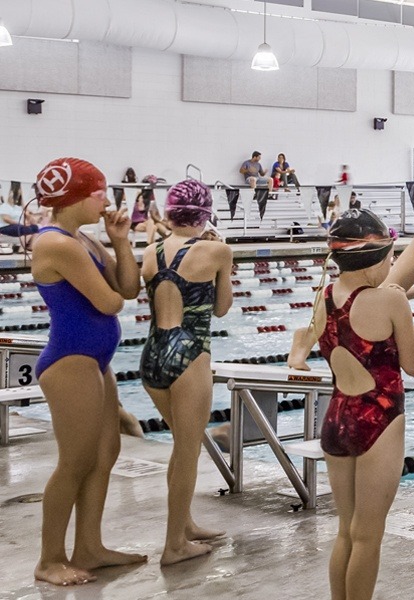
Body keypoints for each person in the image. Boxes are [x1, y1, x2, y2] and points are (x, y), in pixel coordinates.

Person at [287, 209, 414, 600]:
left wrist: (297, 359)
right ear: (373, 259)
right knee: (368, 537)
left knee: (346, 531)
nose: (395, 264)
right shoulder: (389, 301)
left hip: (336, 419)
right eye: (391, 256)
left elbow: (303, 345)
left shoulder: (325, 298)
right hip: (378, 422)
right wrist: (405, 314)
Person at [28, 157, 146, 585]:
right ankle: (49, 560)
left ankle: (90, 548)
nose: (107, 202)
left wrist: (120, 241)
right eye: (100, 194)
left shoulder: (86, 241)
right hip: (69, 361)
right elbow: (110, 302)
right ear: (77, 197)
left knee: (104, 455)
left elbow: (129, 289)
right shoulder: (56, 244)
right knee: (74, 462)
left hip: (96, 361)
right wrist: (114, 291)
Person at [137, 179, 233, 565]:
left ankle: (185, 524)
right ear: (205, 214)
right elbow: (222, 308)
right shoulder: (218, 250)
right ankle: (174, 545)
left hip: (153, 354)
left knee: (181, 446)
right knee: (188, 451)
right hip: (190, 354)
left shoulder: (149, 251)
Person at [240, 151, 272, 219]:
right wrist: (248, 170)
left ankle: (269, 194)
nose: (260, 158)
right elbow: (241, 171)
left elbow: (261, 174)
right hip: (249, 178)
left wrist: (265, 172)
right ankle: (254, 195)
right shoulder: (247, 163)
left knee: (270, 180)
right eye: (259, 157)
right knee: (253, 179)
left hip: (258, 178)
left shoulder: (258, 164)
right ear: (255, 157)